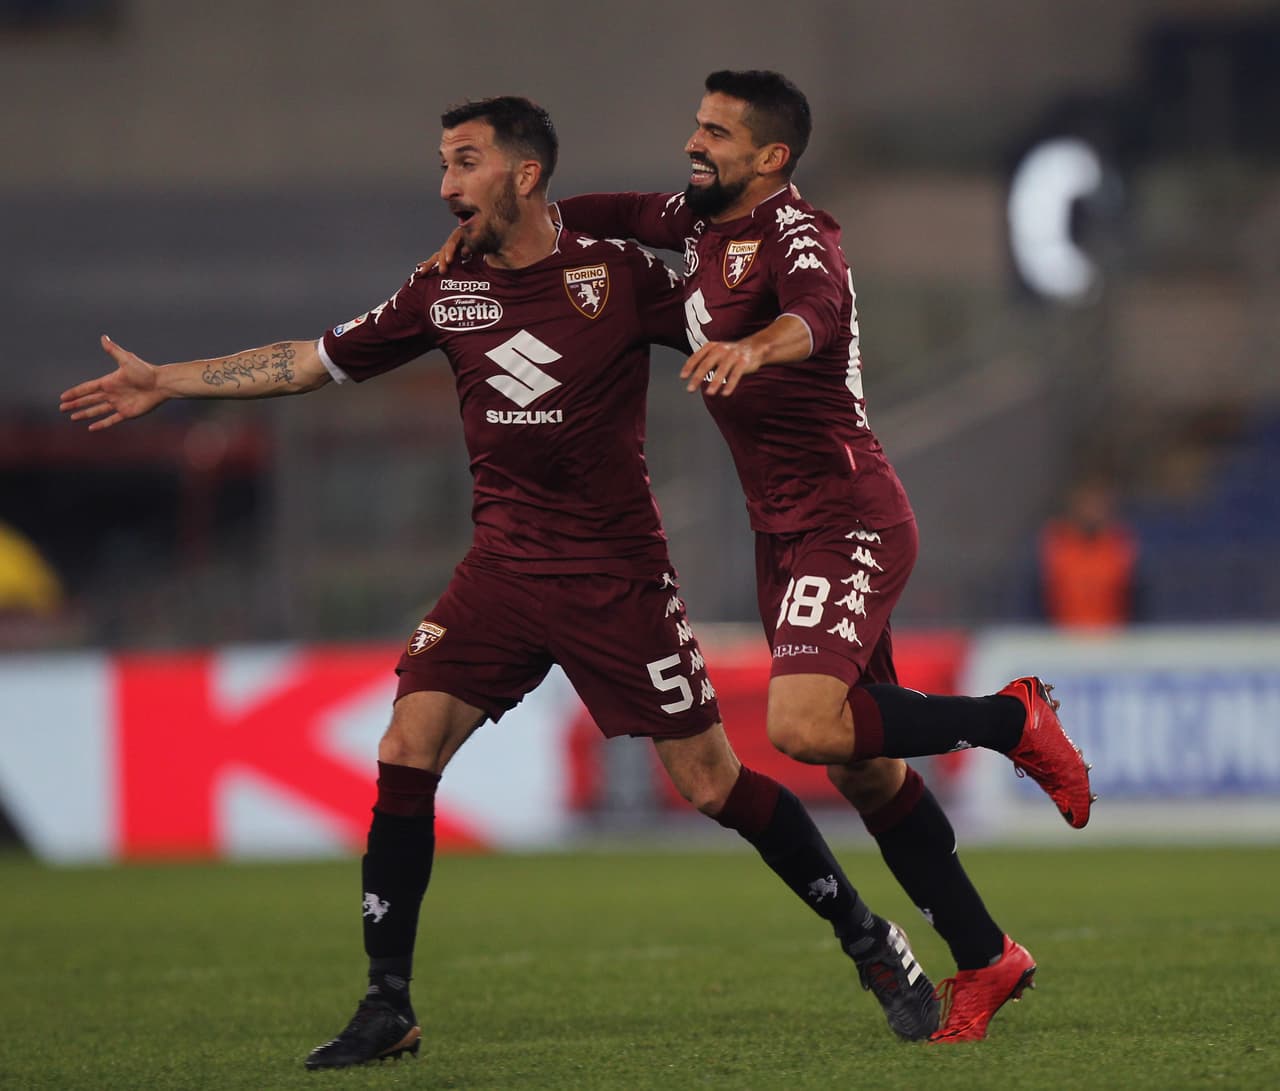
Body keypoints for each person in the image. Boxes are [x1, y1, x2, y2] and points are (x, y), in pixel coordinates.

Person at [60, 96, 943, 1069]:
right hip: (502, 569)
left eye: (464, 162)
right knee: (407, 740)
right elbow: (310, 361)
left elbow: (735, 310)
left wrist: (800, 382)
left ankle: (868, 937)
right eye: (442, 164)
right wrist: (166, 381)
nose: (445, 186)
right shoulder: (443, 291)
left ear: (524, 174)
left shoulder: (618, 275)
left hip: (617, 578)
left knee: (710, 781)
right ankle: (385, 1000)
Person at [510, 70, 1095, 1043]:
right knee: (866, 771)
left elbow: (813, 313)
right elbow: (604, 211)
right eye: (694, 124)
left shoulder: (795, 233)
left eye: (715, 132)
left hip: (846, 518)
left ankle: (1008, 715)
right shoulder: (696, 221)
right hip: (781, 532)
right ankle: (983, 954)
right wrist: (513, 220)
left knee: (803, 724)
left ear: (769, 157)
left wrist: (757, 349)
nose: (693, 143)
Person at [1037, 477, 1139, 628]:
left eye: (1097, 505)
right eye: (1086, 504)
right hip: (1062, 637)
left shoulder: (1120, 544)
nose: (1091, 511)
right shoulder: (1056, 542)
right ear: (1074, 507)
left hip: (1113, 636)